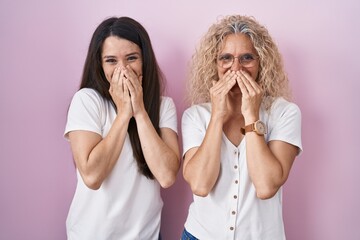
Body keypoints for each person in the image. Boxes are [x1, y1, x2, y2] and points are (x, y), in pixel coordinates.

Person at [180, 15, 303, 240]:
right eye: (225, 58)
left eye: (247, 58)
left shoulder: (284, 113)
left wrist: (251, 115)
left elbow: (266, 186)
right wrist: (217, 116)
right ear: (214, 64)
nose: (235, 68)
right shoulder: (196, 116)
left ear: (261, 63)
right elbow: (200, 185)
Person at [64, 16, 180, 240]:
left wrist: (139, 111)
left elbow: (166, 176)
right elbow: (92, 176)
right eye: (111, 60)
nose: (123, 69)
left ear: (144, 60)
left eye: (132, 58)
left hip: (146, 235)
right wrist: (124, 112)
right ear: (99, 64)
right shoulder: (87, 101)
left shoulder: (164, 106)